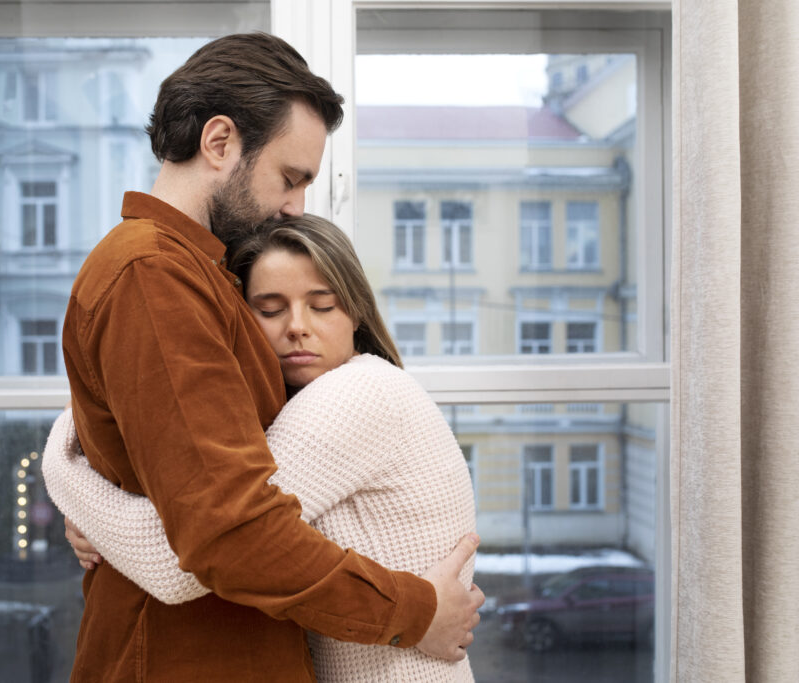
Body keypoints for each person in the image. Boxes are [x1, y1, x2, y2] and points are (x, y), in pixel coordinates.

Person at [52, 31, 483, 682]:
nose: (295, 206)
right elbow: (228, 530)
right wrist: (415, 609)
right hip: (183, 660)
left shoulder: (205, 276)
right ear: (220, 142)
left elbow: (186, 464)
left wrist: (88, 494)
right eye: (290, 177)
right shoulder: (153, 274)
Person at [44, 215, 478, 682]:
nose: (297, 327)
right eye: (269, 310)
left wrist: (67, 472)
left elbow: (178, 559)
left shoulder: (358, 395)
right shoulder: (302, 405)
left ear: (356, 312)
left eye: (323, 305)